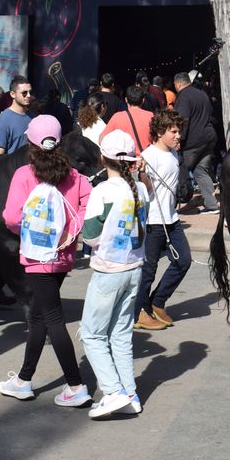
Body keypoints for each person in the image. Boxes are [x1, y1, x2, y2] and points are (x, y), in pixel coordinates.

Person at [0, 115, 94, 406]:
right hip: (63, 255)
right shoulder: (75, 176)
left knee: (52, 318)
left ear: (31, 143)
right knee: (39, 316)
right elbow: (87, 208)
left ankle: (76, 385)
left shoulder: (24, 174)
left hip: (36, 256)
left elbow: (12, 217)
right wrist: (68, 232)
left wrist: (28, 229)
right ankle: (23, 380)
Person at [80, 130, 150, 418]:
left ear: (102, 158)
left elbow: (90, 236)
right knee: (121, 334)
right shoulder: (141, 190)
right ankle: (130, 393)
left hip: (108, 271)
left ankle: (112, 392)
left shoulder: (102, 192)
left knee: (92, 335)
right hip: (134, 268)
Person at [134, 110, 190, 331]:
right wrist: (143, 174)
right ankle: (139, 312)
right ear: (159, 132)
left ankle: (157, 302)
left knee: (183, 261)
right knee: (148, 270)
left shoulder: (174, 155)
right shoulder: (149, 156)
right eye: (173, 132)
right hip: (153, 222)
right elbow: (146, 191)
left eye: (179, 131)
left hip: (172, 220)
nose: (178, 136)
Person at [172, 72, 219, 213]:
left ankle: (177, 203)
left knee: (181, 172)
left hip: (193, 141)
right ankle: (212, 204)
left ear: (178, 84)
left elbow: (182, 120)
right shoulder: (201, 93)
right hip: (208, 137)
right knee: (201, 171)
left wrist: (178, 139)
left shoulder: (184, 97)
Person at [100, 85, 153, 156]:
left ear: (126, 100)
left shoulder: (117, 117)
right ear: (143, 100)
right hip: (146, 160)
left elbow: (102, 139)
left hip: (126, 161)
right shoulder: (151, 116)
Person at [0, 76, 33, 154]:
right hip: (13, 166)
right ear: (13, 94)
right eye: (24, 93)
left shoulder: (33, 117)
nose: (29, 95)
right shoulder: (2, 121)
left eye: (30, 92)